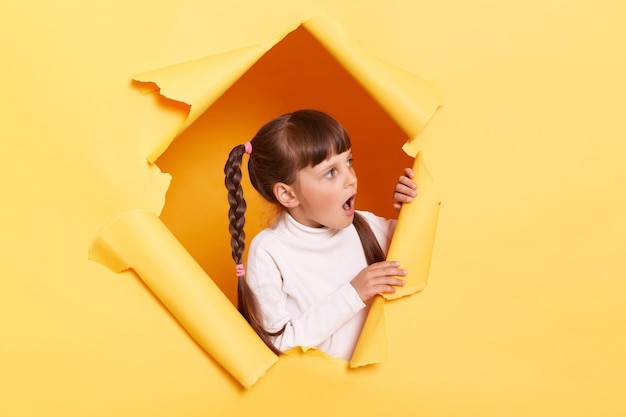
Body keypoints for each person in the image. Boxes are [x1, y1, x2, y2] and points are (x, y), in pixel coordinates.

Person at [224, 109, 417, 361]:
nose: (351, 179)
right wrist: (354, 293)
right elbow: (278, 345)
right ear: (288, 195)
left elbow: (423, 248)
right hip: (323, 394)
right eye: (330, 172)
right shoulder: (270, 250)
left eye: (349, 161)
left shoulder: (364, 224)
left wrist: (412, 211)